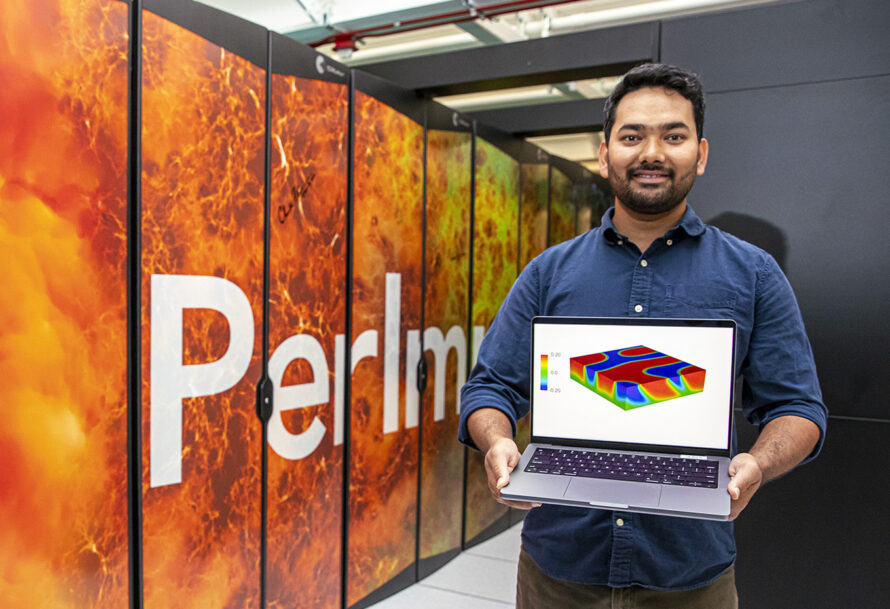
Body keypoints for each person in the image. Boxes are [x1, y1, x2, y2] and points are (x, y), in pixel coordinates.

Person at [458, 63, 827, 608]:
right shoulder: (548, 273)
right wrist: (498, 442)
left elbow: (798, 408)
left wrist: (757, 464)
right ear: (604, 153)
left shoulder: (752, 274)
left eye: (673, 136)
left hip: (689, 576)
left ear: (699, 153)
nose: (651, 152)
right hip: (557, 571)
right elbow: (489, 389)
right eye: (632, 136)